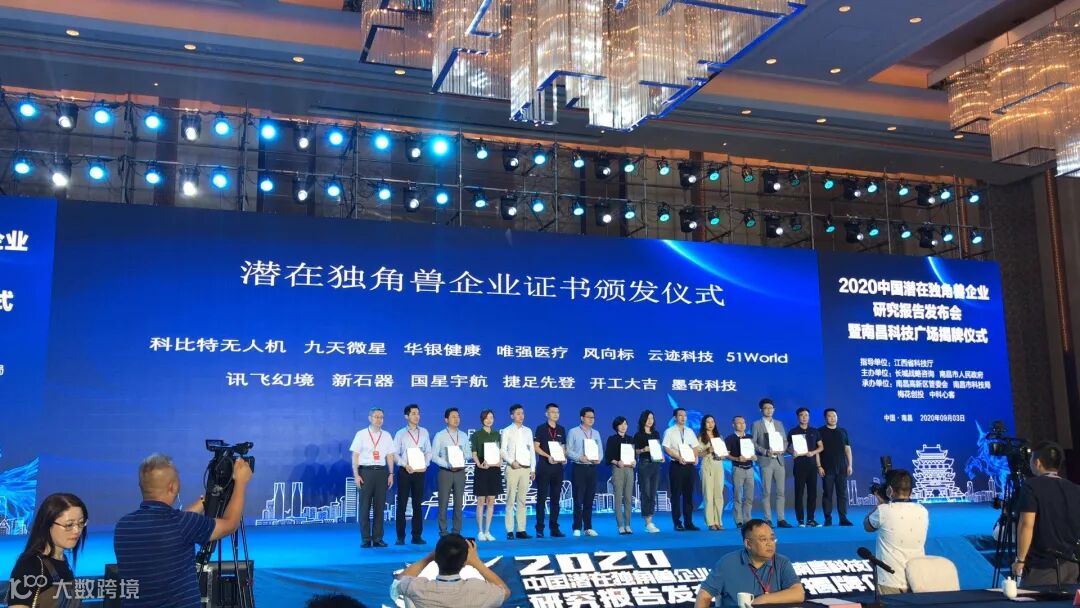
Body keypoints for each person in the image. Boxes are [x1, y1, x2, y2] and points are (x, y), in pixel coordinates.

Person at [114, 453, 251, 607]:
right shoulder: (182, 524)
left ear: (141, 486)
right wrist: (241, 483)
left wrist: (207, 499)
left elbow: (172, 525)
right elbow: (230, 524)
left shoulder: (123, 526)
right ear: (173, 487)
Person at [695, 519, 805, 607]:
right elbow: (704, 596)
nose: (770, 544)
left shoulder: (782, 562)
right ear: (748, 544)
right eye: (763, 539)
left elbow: (798, 593)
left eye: (772, 539)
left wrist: (763, 599)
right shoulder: (727, 563)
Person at [1013, 441, 1080, 586]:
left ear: (1037, 462)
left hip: (1042, 569)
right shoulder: (1075, 489)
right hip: (1071, 565)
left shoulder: (1031, 486)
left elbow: (1026, 524)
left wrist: (1020, 560)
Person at [6, 493, 88, 608]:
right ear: (48, 524)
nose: (77, 530)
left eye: (81, 523)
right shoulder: (30, 565)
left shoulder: (62, 560)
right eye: (69, 525)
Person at [391, 533, 510, 608]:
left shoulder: (418, 588)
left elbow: (398, 582)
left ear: (437, 557)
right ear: (465, 562)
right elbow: (505, 591)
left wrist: (429, 557)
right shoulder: (478, 589)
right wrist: (477, 562)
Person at [863, 469, 928, 594]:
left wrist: (879, 505)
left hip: (889, 581)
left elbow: (867, 526)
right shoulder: (923, 510)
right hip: (917, 579)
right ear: (911, 491)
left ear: (889, 490)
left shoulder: (883, 511)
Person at [351, 407, 395, 547]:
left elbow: (390, 455)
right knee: (364, 507)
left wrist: (391, 473)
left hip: (381, 473)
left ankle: (377, 538)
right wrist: (356, 475)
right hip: (366, 472)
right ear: (370, 418)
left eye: (381, 417)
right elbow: (355, 455)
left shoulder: (387, 435)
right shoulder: (361, 434)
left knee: (379, 507)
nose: (379, 419)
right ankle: (365, 539)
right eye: (376, 417)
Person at [394, 403, 432, 546]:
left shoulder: (424, 432)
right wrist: (405, 465)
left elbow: (428, 451)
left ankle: (417, 536)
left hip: (419, 472)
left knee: (417, 504)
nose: (417, 416)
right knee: (402, 505)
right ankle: (400, 537)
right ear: (406, 416)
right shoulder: (400, 434)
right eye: (413, 413)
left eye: (418, 413)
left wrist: (425, 464)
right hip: (405, 471)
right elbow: (395, 454)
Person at [752, 399, 792, 528]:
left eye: (771, 408)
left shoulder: (779, 423)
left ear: (774, 410)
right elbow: (753, 443)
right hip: (766, 461)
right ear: (761, 410)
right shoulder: (756, 424)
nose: (769, 410)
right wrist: (765, 451)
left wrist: (782, 449)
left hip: (779, 460)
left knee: (781, 492)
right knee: (766, 492)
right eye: (766, 408)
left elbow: (785, 441)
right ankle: (768, 519)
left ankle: (781, 519)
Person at [566, 406, 603, 536]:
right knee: (578, 499)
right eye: (589, 417)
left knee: (589, 498)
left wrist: (599, 458)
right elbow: (568, 451)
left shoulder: (596, 433)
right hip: (579, 468)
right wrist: (579, 457)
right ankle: (576, 527)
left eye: (593, 417)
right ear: (582, 418)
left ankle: (588, 527)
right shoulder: (573, 432)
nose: (591, 419)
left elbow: (600, 451)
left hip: (592, 468)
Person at [431, 407, 467, 537]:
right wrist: (448, 464)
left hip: (460, 472)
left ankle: (456, 531)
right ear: (446, 419)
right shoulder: (440, 435)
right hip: (445, 472)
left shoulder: (463, 435)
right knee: (443, 503)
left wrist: (461, 458)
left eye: (458, 416)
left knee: (459, 503)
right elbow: (434, 456)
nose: (456, 419)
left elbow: (468, 453)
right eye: (453, 417)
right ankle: (443, 531)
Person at [501, 403, 535, 540]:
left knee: (522, 501)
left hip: (526, 469)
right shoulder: (507, 431)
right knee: (510, 500)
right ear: (512, 416)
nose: (521, 416)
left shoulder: (528, 431)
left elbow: (531, 451)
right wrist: (511, 461)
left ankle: (521, 530)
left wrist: (533, 469)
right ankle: (509, 530)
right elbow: (502, 451)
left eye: (522, 413)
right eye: (518, 413)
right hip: (513, 468)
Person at [533, 402, 567, 538]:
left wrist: (563, 457)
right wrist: (548, 456)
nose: (555, 414)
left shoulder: (561, 429)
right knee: (541, 499)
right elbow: (536, 447)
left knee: (555, 499)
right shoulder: (541, 428)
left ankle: (554, 528)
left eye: (557, 412)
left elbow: (563, 447)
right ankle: (539, 528)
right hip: (544, 467)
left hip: (558, 468)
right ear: (546, 414)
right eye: (553, 412)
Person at [663, 407, 700, 531]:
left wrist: (694, 457)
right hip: (677, 465)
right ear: (675, 417)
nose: (683, 418)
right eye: (680, 415)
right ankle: (677, 522)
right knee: (676, 495)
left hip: (689, 466)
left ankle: (689, 522)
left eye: (685, 415)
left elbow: (695, 447)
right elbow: (666, 448)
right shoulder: (669, 431)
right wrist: (678, 457)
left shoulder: (690, 431)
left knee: (689, 495)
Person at [788, 407, 823, 528]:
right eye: (802, 415)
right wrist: (792, 452)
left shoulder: (815, 431)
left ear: (809, 417)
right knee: (799, 493)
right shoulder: (793, 431)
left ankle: (811, 519)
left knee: (812, 494)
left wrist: (813, 452)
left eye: (806, 415)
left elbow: (821, 447)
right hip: (799, 466)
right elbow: (786, 447)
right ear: (798, 417)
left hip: (812, 466)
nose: (804, 417)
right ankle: (800, 520)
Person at [818, 408, 854, 526]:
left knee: (842, 494)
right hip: (827, 468)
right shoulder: (820, 431)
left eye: (834, 416)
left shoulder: (842, 431)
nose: (832, 418)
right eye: (830, 416)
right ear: (825, 418)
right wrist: (819, 466)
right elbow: (817, 451)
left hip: (842, 468)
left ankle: (843, 518)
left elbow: (847, 449)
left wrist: (850, 465)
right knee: (827, 494)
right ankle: (828, 518)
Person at [470, 409, 501, 542]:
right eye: (487, 418)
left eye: (491, 417)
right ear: (482, 419)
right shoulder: (477, 435)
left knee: (491, 500)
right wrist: (479, 464)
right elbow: (474, 453)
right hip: (482, 468)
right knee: (481, 500)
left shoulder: (496, 434)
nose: (489, 420)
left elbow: (499, 451)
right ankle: (480, 531)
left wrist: (500, 461)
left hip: (494, 469)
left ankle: (488, 531)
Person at [605, 416, 636, 534]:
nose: (624, 426)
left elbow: (634, 456)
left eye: (625, 424)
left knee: (628, 498)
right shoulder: (612, 439)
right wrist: (617, 462)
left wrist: (634, 461)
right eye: (621, 424)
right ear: (616, 426)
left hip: (630, 470)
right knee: (618, 497)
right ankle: (620, 525)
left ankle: (628, 524)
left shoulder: (631, 439)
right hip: (618, 469)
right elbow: (608, 457)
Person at [725, 416, 757, 528]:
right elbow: (726, 454)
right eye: (739, 423)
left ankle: (747, 519)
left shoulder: (750, 437)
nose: (742, 425)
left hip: (750, 469)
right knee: (738, 496)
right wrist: (736, 458)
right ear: (733, 425)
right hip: (738, 468)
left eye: (743, 422)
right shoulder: (730, 438)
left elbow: (753, 452)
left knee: (749, 497)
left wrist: (754, 457)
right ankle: (738, 520)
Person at [634, 409, 663, 533]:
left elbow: (658, 448)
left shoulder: (656, 434)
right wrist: (643, 450)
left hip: (655, 464)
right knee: (645, 493)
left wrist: (661, 457)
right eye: (648, 418)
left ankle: (651, 519)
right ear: (643, 420)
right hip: (644, 464)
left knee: (653, 493)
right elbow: (634, 451)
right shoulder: (638, 435)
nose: (650, 420)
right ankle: (648, 522)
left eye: (652, 418)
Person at [698, 414, 727, 531]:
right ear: (704, 424)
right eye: (708, 422)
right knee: (708, 495)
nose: (710, 424)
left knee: (719, 494)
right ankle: (710, 522)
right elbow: (698, 454)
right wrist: (708, 450)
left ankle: (718, 521)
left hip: (718, 465)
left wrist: (722, 455)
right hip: (707, 465)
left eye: (712, 422)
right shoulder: (700, 437)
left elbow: (724, 454)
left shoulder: (719, 437)